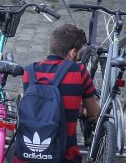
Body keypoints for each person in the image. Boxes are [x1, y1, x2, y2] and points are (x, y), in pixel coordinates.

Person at [14, 23, 100, 163]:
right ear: (72, 53)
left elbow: (38, 107)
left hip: (26, 155)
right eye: (78, 55)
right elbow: (93, 112)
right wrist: (84, 113)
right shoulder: (79, 71)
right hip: (64, 156)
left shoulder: (29, 72)